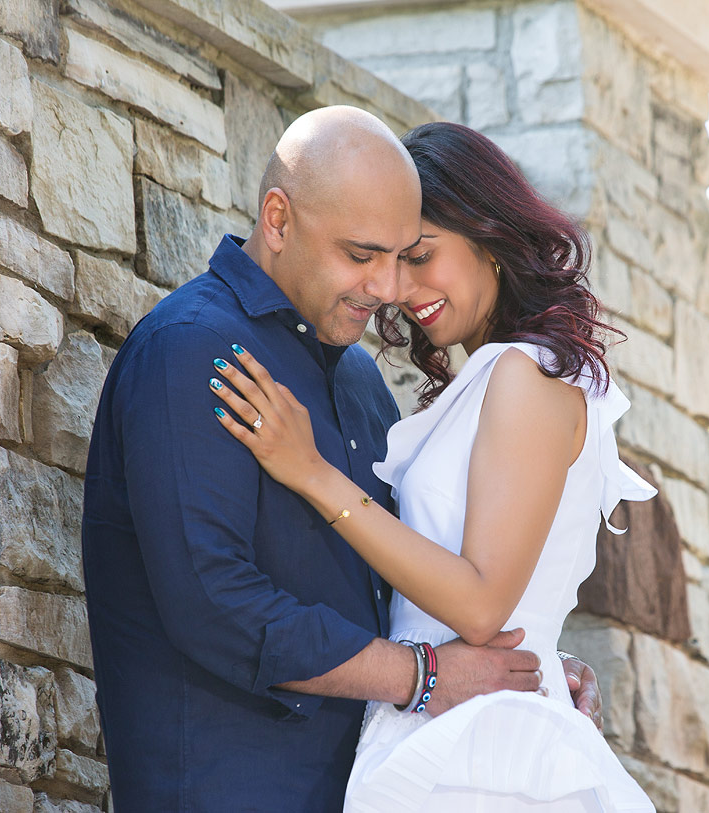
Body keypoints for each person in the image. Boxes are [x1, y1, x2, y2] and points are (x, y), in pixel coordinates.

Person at [81, 106, 601, 811]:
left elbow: (394, 590)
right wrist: (422, 673)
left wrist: (517, 673)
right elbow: (215, 600)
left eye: (404, 255)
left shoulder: (358, 384)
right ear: (278, 219)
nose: (388, 289)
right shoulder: (193, 348)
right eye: (362, 256)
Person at [208, 121, 656, 811]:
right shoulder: (490, 380)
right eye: (386, 260)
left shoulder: (524, 374)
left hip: (483, 745)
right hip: (445, 714)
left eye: (420, 256)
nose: (397, 288)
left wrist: (311, 470)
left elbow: (481, 604)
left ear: (490, 237)